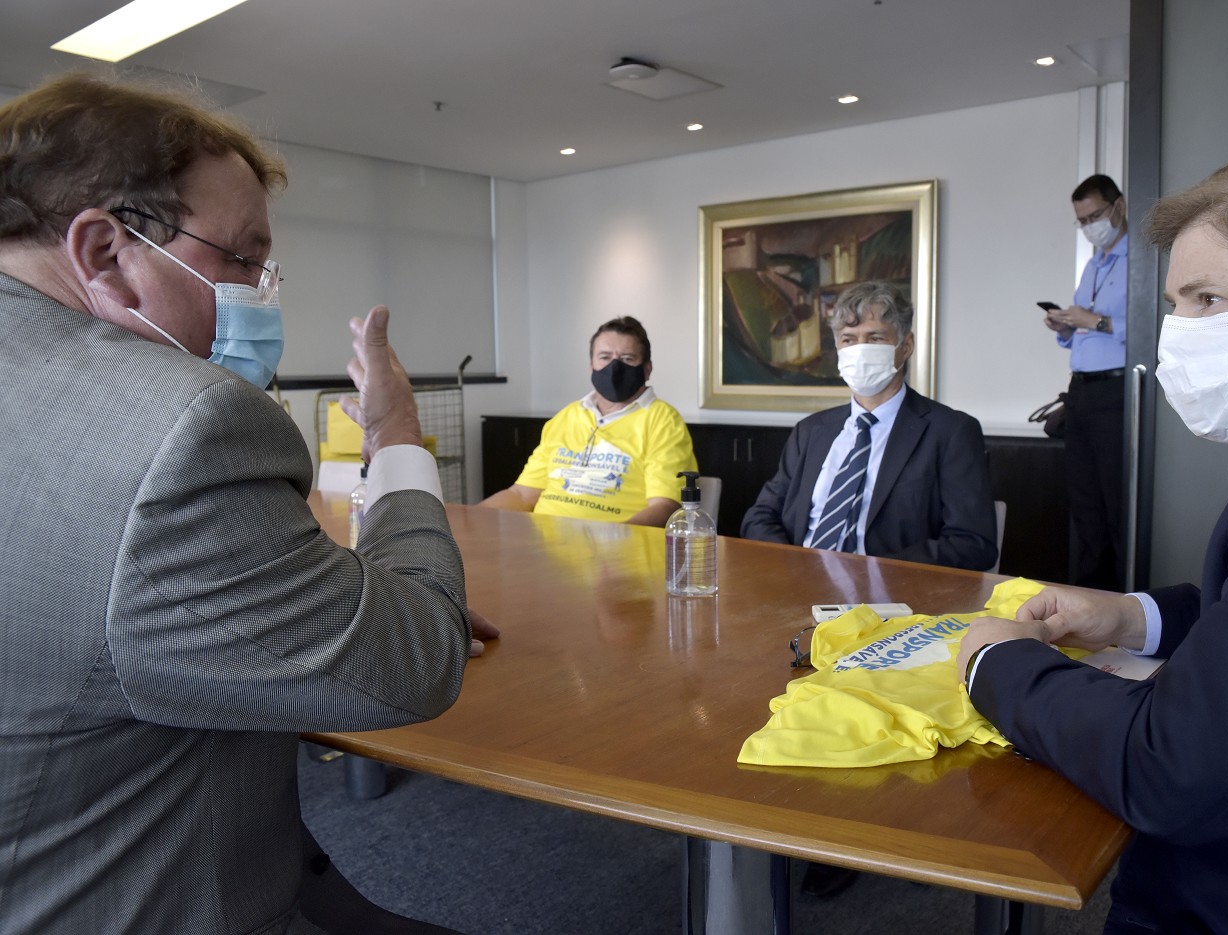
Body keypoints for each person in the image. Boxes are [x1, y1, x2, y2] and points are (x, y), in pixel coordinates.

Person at [0, 73, 496, 934]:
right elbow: (411, 663)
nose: (261, 292)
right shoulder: (181, 430)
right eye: (239, 258)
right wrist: (395, 430)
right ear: (106, 252)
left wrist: (322, 591)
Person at [959, 132, 1228, 933]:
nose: (1177, 337)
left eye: (1207, 301)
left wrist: (997, 660)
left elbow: (1176, 767)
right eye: (1174, 306)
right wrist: (1134, 617)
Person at [741, 280, 998, 571]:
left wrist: (873, 573)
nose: (860, 350)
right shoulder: (810, 431)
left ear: (906, 346)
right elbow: (760, 517)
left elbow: (973, 543)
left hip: (893, 590)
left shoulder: (950, 431)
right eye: (849, 340)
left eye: (875, 338)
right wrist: (793, 566)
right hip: (798, 581)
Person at [479, 316, 696, 526]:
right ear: (591, 365)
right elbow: (522, 495)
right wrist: (468, 518)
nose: (614, 367)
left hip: (613, 545)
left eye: (627, 359)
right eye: (605, 357)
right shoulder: (567, 416)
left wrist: (619, 541)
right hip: (542, 542)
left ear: (647, 369)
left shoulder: (663, 420)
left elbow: (665, 506)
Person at [1043, 174, 1128, 589]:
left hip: (1118, 390)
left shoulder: (1140, 262)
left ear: (1119, 207)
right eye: (1082, 221)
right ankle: (1090, 596)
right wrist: (1065, 326)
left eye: (1094, 216)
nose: (1090, 226)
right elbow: (1086, 329)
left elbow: (1149, 327)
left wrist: (1094, 321)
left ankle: (1124, 596)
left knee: (1115, 503)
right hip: (1081, 390)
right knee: (1085, 503)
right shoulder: (1094, 264)